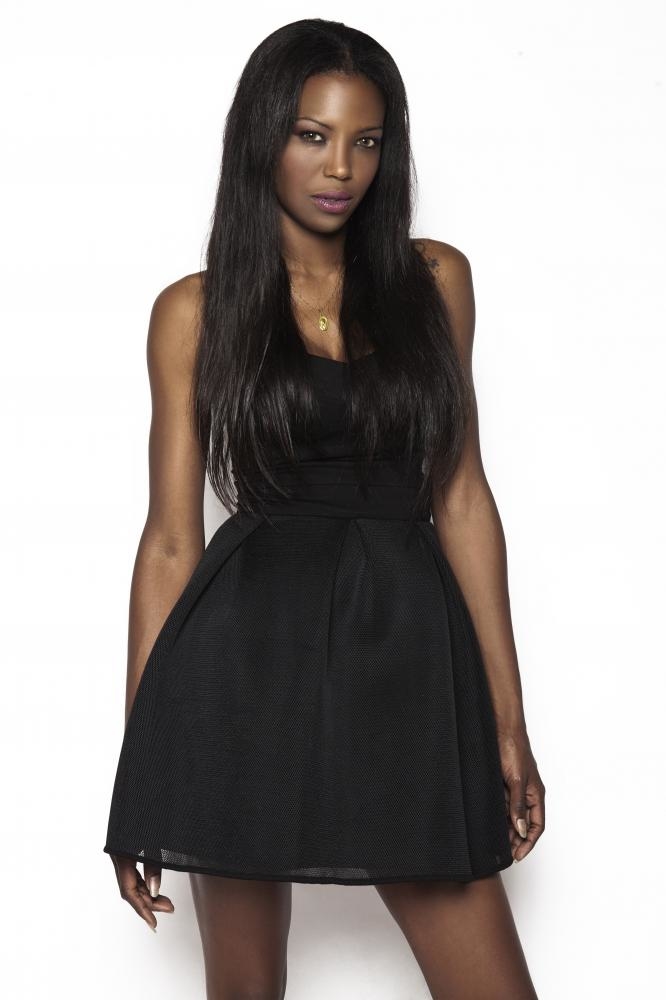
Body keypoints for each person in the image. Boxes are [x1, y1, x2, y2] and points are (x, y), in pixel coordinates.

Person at [103, 17, 545, 1000]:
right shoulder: (195, 311)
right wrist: (147, 768)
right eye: (312, 134)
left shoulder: (436, 283)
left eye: (366, 139)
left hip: (407, 661)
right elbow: (170, 541)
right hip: (243, 669)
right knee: (245, 989)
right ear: (263, 135)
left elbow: (462, 497)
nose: (341, 166)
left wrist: (508, 722)